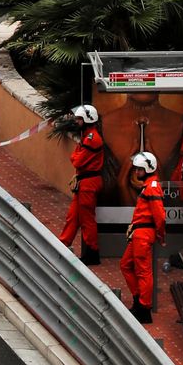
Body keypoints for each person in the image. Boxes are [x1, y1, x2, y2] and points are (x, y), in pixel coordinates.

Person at [120, 150, 165, 324]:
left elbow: (159, 216)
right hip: (139, 233)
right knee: (126, 265)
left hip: (143, 235)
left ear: (148, 169)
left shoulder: (152, 187)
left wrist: (161, 234)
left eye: (139, 169)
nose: (137, 172)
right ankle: (139, 301)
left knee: (143, 272)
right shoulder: (149, 186)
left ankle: (144, 309)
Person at [58, 105, 105, 267]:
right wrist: (76, 157)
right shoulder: (87, 136)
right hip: (84, 182)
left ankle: (92, 253)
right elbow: (76, 157)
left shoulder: (92, 138)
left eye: (79, 119)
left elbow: (77, 160)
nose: (77, 121)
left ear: (87, 120)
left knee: (86, 219)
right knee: (73, 216)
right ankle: (62, 245)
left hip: (88, 184)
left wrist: (76, 157)